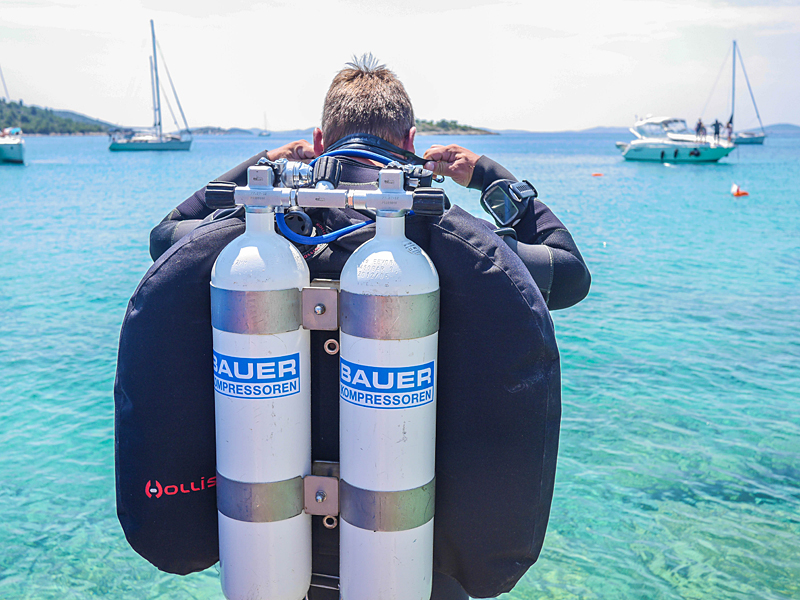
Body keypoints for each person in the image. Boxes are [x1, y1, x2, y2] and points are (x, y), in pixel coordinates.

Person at [148, 54, 590, 599]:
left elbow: (166, 236)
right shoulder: (447, 241)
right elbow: (568, 274)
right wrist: (486, 175)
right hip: (413, 564)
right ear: (409, 141)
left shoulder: (259, 238)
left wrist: (260, 171)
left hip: (272, 558)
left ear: (317, 138)